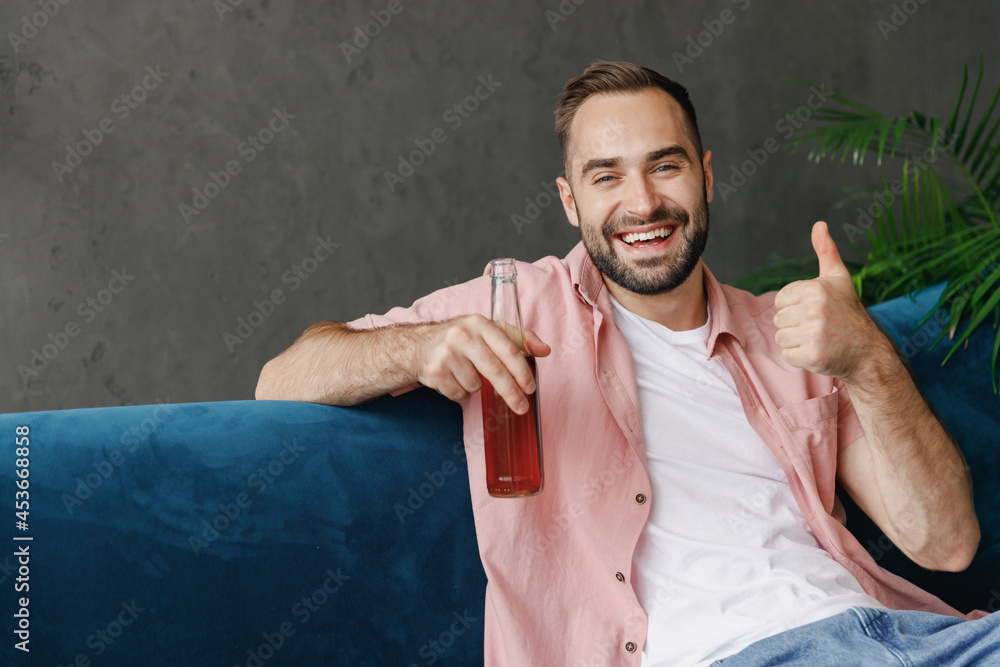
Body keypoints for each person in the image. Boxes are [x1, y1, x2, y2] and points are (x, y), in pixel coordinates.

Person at [256, 61, 998, 666]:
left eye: (664, 166)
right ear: (569, 201)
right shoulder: (513, 304)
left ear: (706, 174)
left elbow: (945, 541)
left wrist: (867, 356)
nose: (641, 202)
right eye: (606, 176)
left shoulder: (790, 333)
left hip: (905, 636)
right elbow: (280, 381)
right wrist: (418, 345)